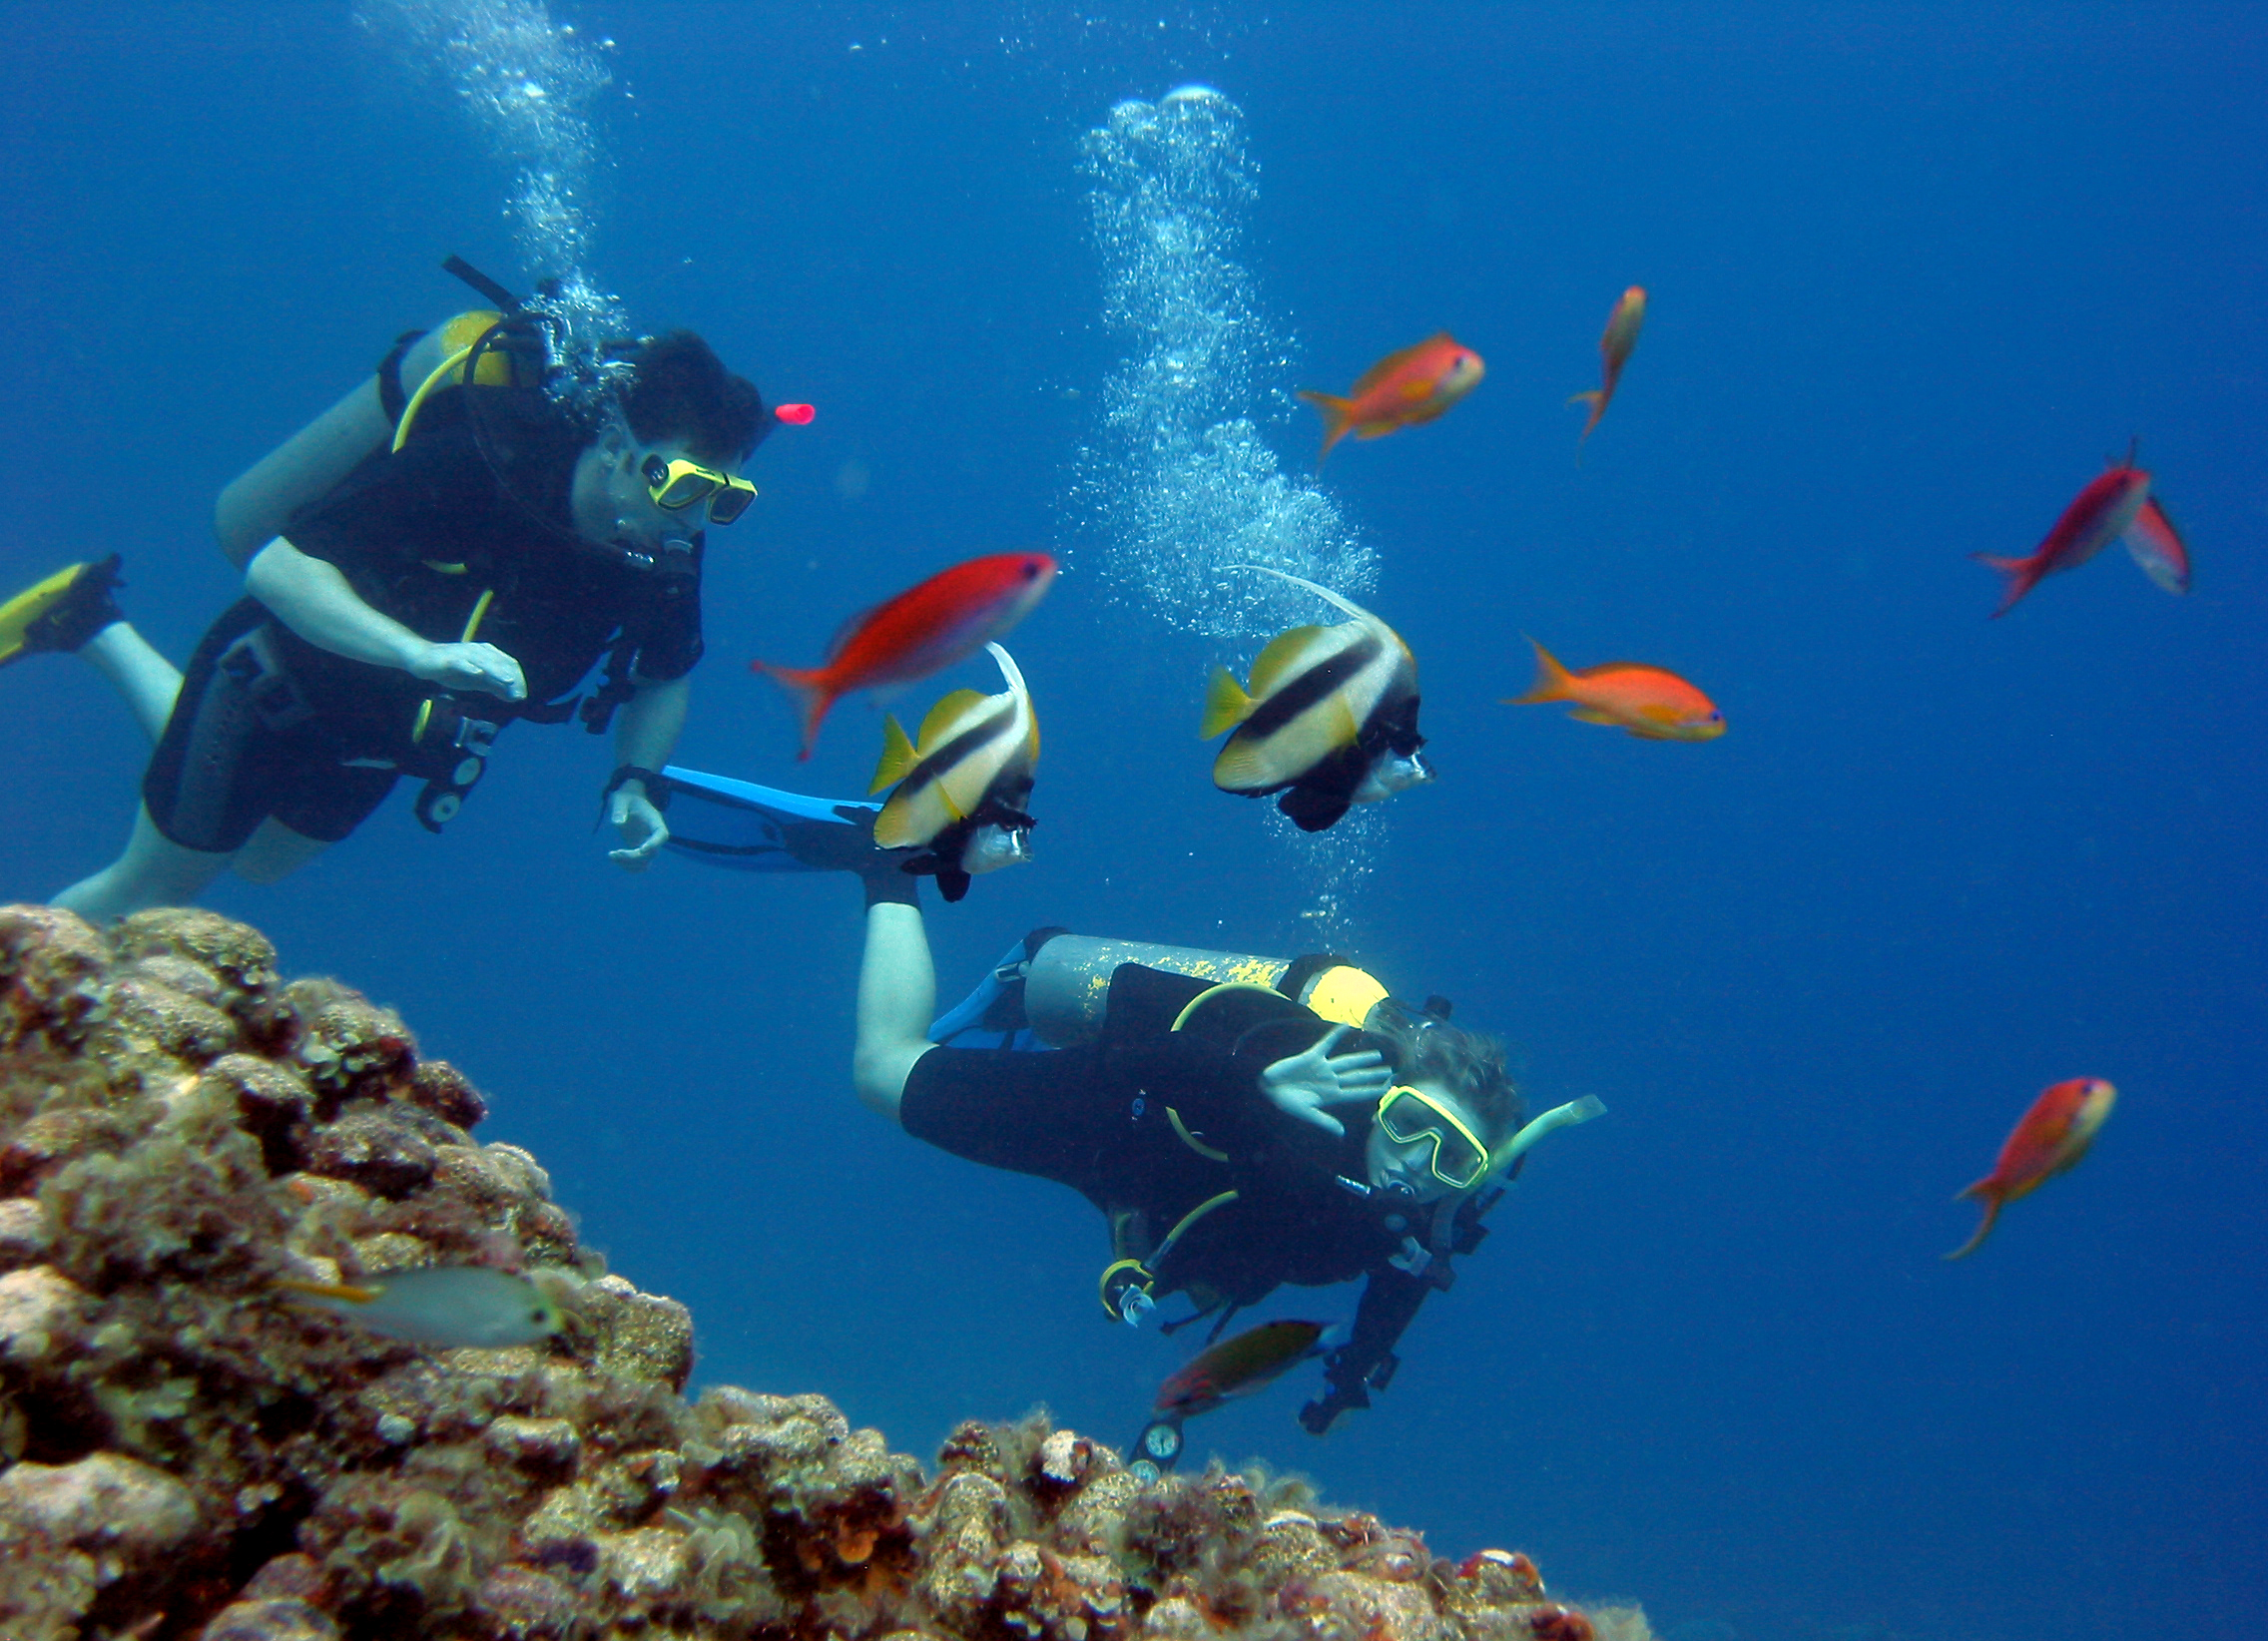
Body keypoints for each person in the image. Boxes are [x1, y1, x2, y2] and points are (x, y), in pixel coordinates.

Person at [2, 275, 770, 921]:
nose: (695, 518)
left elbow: (664, 675)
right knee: (155, 888)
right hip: (272, 680)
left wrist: (634, 783)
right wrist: (419, 653)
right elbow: (276, 567)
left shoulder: (664, 545)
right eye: (683, 485)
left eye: (723, 499)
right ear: (614, 445)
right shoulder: (480, 464)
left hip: (389, 734)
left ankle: (90, 620)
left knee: (264, 863)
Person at [844, 853, 1602, 1435]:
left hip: (1154, 1215)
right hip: (1112, 1124)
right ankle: (892, 862)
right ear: (1387, 1100)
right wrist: (1255, 1086)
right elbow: (1133, 1057)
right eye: (1407, 1124)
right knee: (881, 1070)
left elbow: (1401, 1282)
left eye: (1453, 1159)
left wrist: (1354, 1374)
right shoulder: (1320, 1074)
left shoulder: (1422, 1219)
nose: (1414, 1164)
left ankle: (1021, 975)